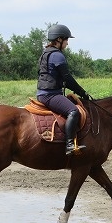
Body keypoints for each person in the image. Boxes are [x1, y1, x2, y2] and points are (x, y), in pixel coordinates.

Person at [37, 24, 89, 156]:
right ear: (59, 40)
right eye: (66, 40)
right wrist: (82, 92)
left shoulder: (45, 53)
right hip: (50, 95)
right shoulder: (57, 55)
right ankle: (70, 144)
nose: (67, 43)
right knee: (73, 111)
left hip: (44, 93)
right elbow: (68, 79)